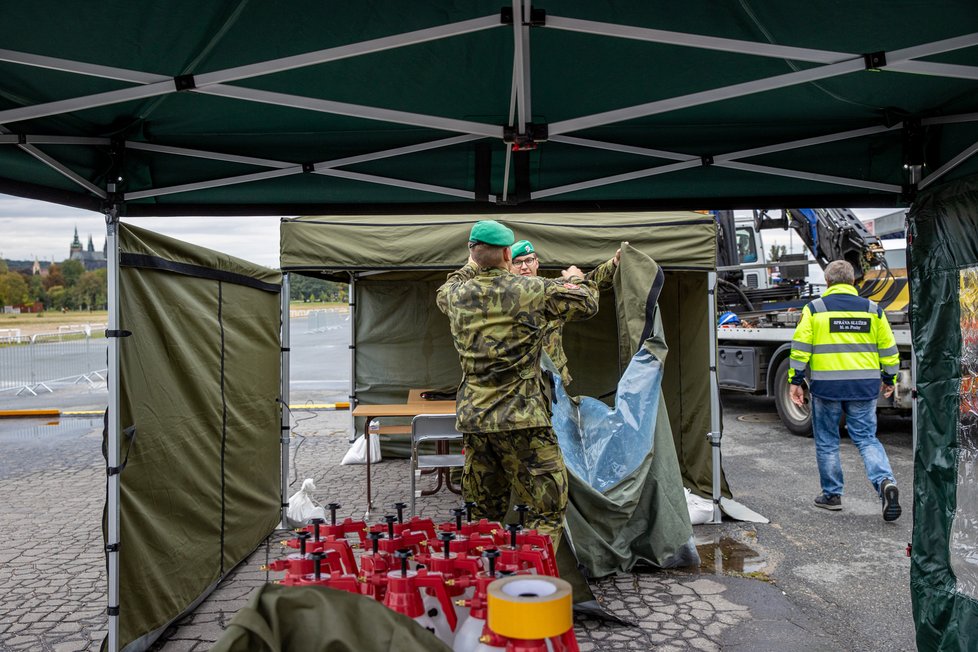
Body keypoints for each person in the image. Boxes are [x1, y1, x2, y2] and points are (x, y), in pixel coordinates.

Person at [436, 221, 600, 545]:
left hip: (477, 423)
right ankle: (532, 591)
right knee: (546, 510)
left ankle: (484, 585)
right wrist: (574, 279)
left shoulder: (455, 296)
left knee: (481, 516)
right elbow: (588, 303)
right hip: (523, 420)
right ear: (509, 254)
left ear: (473, 254)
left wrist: (473, 263)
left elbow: (448, 287)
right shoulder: (533, 290)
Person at [788, 259, 902, 521]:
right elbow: (888, 348)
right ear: (853, 282)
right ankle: (885, 481)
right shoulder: (873, 310)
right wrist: (889, 377)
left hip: (827, 387)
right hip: (863, 387)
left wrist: (795, 380)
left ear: (827, 282)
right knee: (866, 438)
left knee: (828, 441)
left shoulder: (815, 309)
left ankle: (832, 495)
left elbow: (801, 346)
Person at [510, 239, 620, 386]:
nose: (524, 267)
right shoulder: (503, 296)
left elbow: (589, 280)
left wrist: (613, 263)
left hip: (553, 378)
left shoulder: (553, 290)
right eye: (517, 262)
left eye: (529, 260)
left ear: (536, 262)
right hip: (521, 381)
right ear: (509, 267)